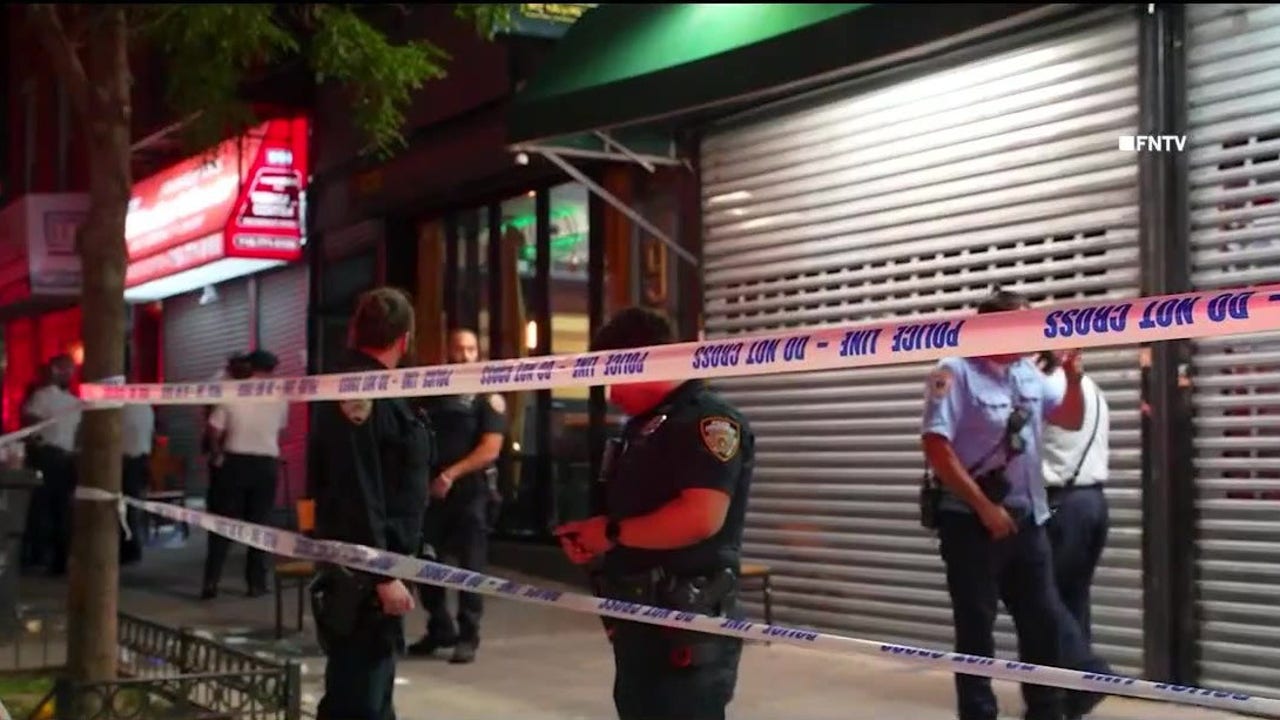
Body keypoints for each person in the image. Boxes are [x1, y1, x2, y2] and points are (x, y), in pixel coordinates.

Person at [555, 306, 754, 720]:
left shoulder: (707, 420)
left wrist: (611, 533)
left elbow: (700, 517)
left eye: (615, 376)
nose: (611, 393)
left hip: (685, 623)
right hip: (639, 620)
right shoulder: (643, 427)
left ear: (646, 361)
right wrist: (594, 537)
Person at [920, 288, 1102, 720]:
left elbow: (1070, 418)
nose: (1034, 334)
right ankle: (978, 712)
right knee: (976, 629)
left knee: (1043, 624)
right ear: (993, 327)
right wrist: (984, 508)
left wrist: (1073, 378)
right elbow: (936, 446)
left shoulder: (1027, 373)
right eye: (1024, 324)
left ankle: (1045, 710)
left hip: (1028, 522)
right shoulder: (954, 371)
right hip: (971, 523)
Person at [310, 287, 435, 720]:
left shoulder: (379, 387)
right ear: (404, 338)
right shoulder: (358, 391)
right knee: (358, 699)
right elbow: (357, 489)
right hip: (363, 578)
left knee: (372, 695)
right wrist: (381, 573)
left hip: (380, 567)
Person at [408, 328, 507, 665]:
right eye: (458, 349)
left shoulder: (486, 396)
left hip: (470, 493)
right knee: (426, 563)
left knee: (470, 568)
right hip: (432, 493)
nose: (464, 356)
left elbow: (490, 448)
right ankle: (440, 627)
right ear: (446, 351)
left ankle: (468, 635)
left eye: (470, 350)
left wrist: (451, 475)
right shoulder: (433, 391)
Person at [1038, 349, 1113, 717]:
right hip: (1094, 502)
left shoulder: (1045, 389)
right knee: (1074, 599)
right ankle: (1072, 697)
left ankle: (1088, 673)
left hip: (1063, 504)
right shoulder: (1093, 389)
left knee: (1042, 597)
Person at [201, 349, 288, 599]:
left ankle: (211, 582)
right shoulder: (280, 396)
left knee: (222, 525)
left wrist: (217, 454)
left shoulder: (233, 390)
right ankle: (256, 583)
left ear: (250, 366)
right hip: (266, 464)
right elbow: (280, 428)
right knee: (259, 526)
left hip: (234, 464)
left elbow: (214, 428)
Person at [22, 355, 82, 576]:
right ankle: (59, 559)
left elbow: (29, 424)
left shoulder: (43, 397)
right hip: (66, 458)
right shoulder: (74, 402)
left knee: (42, 507)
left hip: (48, 457)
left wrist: (35, 442)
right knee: (61, 510)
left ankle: (41, 555)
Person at [119, 381, 156, 565]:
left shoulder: (122, 408)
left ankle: (128, 548)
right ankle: (134, 548)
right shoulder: (146, 408)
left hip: (126, 462)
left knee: (124, 507)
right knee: (134, 506)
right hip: (142, 460)